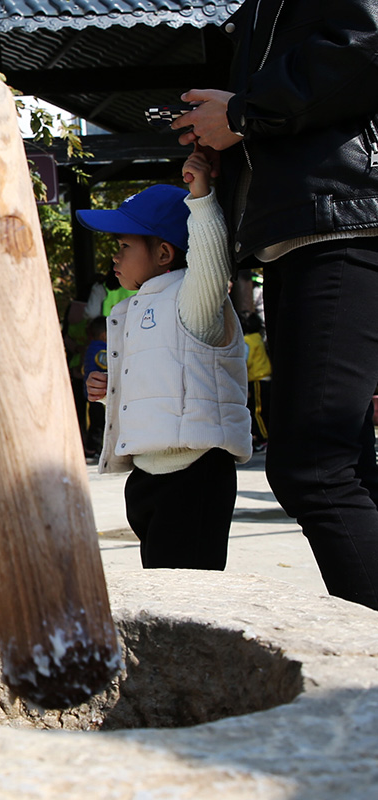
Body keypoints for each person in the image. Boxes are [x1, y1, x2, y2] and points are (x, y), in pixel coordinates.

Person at [172, 0, 378, 609]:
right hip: (305, 233)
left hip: (344, 225)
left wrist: (242, 110)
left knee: (313, 466)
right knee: (343, 464)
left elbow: (366, 42)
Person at [80, 148, 252, 570]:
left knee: (192, 596)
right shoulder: (129, 309)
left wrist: (202, 197)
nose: (114, 257)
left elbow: (210, 262)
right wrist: (107, 393)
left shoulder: (193, 300)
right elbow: (155, 385)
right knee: (161, 587)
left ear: (164, 254)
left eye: (123, 245)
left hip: (194, 474)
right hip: (146, 475)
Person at [240, 310, 271, 453]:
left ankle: (264, 438)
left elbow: (246, 360)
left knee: (257, 411)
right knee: (264, 409)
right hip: (265, 377)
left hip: (257, 378)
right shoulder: (258, 338)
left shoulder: (247, 341)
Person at [82, 315, 107, 462]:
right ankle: (94, 448)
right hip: (98, 393)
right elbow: (106, 365)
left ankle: (93, 447)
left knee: (94, 419)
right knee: (98, 422)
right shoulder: (101, 350)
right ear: (104, 335)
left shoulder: (90, 347)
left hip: (91, 392)